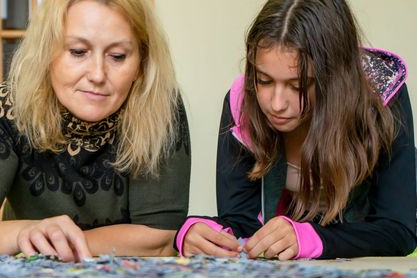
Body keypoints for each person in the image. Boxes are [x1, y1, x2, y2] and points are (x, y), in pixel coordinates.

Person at [0, 0, 191, 261]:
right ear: (46, 52)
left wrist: (53, 243)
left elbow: (157, 239)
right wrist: (23, 234)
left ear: (141, 65)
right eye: (78, 52)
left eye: (117, 56)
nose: (97, 74)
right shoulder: (7, 106)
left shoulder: (159, 105)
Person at [175, 0, 416, 260]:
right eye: (264, 80)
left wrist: (313, 238)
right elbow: (243, 225)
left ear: (335, 78)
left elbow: (398, 231)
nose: (276, 104)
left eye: (298, 86)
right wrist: (195, 232)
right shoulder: (242, 104)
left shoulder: (380, 99)